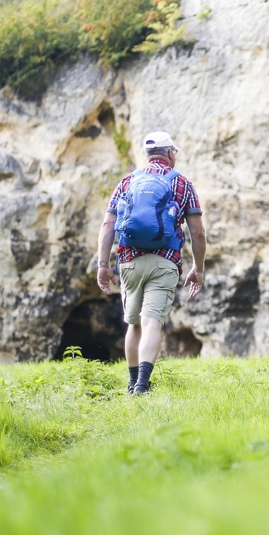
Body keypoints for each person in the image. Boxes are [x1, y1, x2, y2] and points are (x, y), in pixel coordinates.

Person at [96, 131, 206, 394]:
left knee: (133, 325)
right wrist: (198, 268)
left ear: (148, 155)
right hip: (164, 262)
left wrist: (103, 264)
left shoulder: (128, 181)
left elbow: (108, 224)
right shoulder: (182, 183)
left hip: (129, 261)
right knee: (152, 323)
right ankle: (143, 385)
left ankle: (132, 383)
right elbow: (198, 233)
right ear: (170, 153)